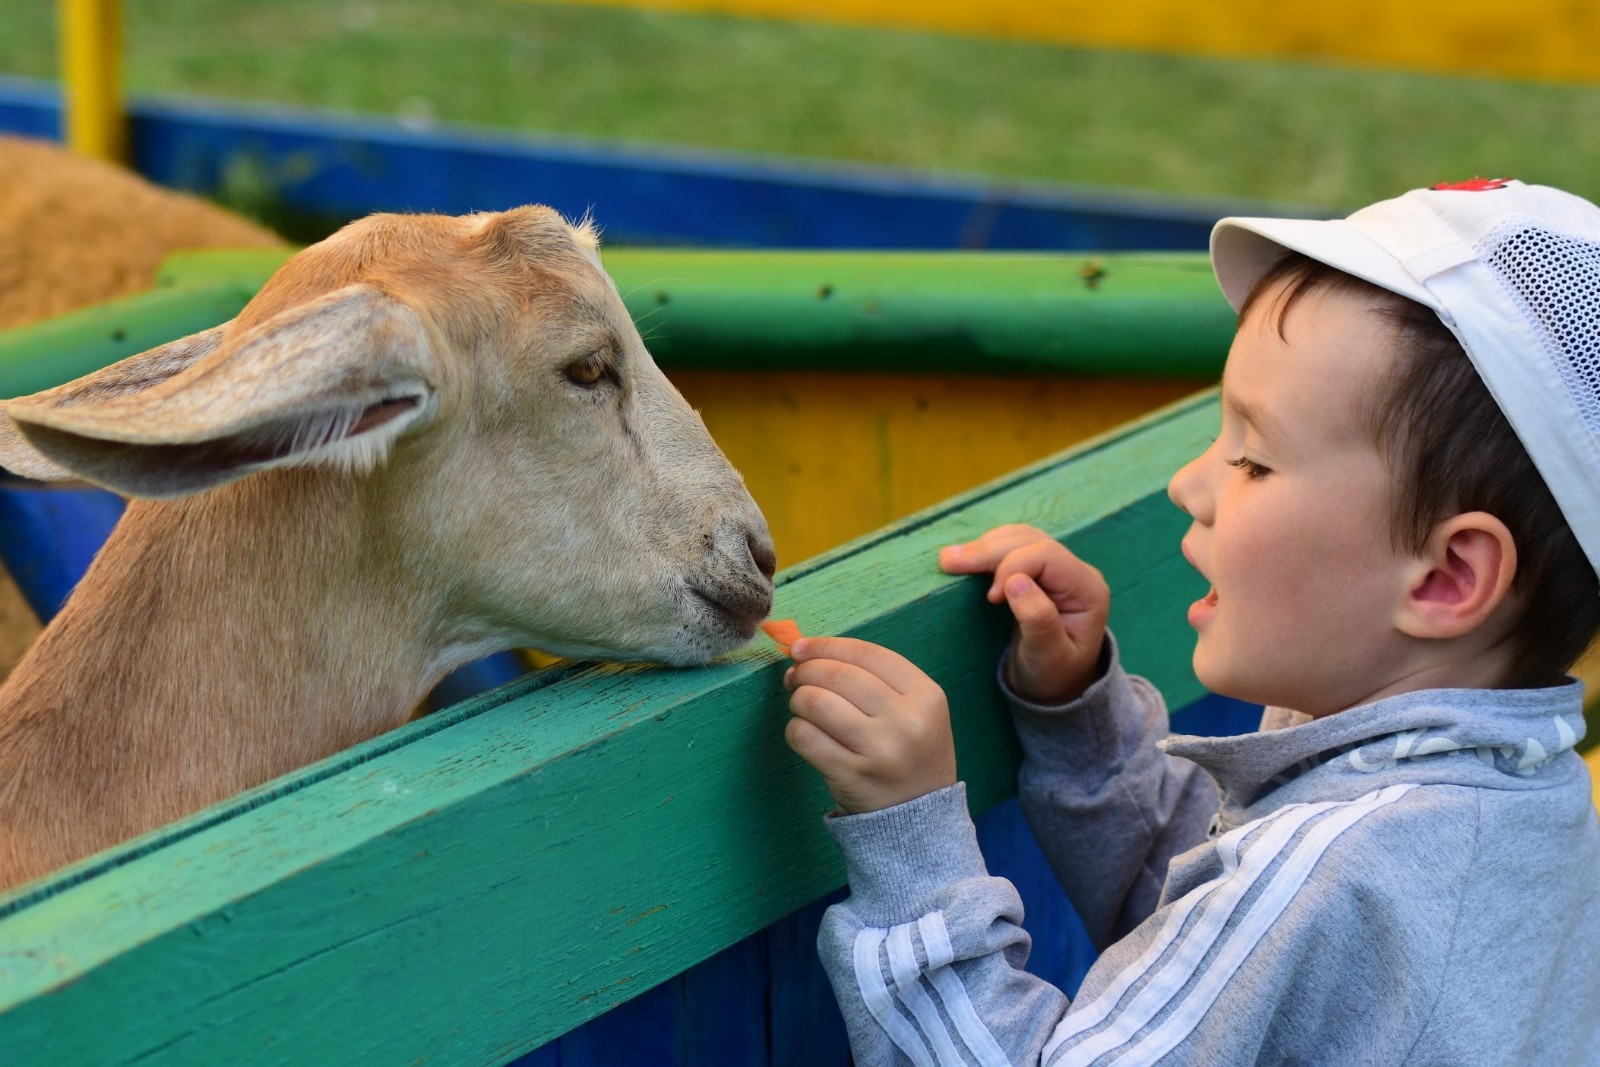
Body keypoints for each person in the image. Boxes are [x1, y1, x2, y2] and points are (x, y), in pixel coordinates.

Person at [779, 179, 1600, 1065]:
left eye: (1252, 457)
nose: (1189, 484)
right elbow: (1222, 964)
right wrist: (1081, 718)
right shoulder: (1526, 810)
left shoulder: (1335, 869)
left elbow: (1260, 915)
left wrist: (911, 840)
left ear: (1446, 578)